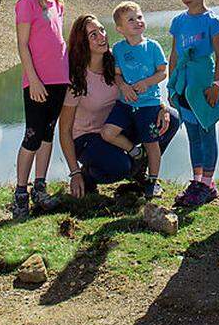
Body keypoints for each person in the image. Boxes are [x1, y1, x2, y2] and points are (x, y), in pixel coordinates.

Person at [55, 14, 180, 200]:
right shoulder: (77, 78)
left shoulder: (117, 57)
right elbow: (64, 130)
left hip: (116, 126)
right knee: (120, 167)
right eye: (93, 35)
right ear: (83, 43)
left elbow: (142, 85)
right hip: (86, 138)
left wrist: (161, 106)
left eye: (102, 30)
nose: (102, 37)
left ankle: (141, 169)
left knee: (172, 118)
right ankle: (90, 174)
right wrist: (74, 173)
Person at [11, 0, 74, 219]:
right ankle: (20, 193)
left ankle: (40, 188)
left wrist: (69, 77)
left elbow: (58, 42)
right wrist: (33, 80)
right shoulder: (26, 3)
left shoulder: (57, 3)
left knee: (48, 133)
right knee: (32, 136)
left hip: (60, 80)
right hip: (38, 82)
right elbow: (22, 45)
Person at [167, 0, 219, 207]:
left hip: (203, 85)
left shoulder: (212, 21)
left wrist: (217, 85)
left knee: (206, 132)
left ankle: (207, 184)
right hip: (184, 85)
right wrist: (171, 87)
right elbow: (174, 55)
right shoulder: (179, 21)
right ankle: (196, 181)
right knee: (192, 134)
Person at [101, 1, 170, 199]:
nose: (137, 21)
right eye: (131, 19)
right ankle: (135, 153)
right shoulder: (118, 49)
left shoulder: (153, 46)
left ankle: (153, 180)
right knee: (108, 133)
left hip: (148, 104)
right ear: (120, 29)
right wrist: (123, 86)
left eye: (139, 17)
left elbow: (162, 73)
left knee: (152, 143)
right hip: (125, 104)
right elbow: (117, 75)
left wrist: (147, 82)